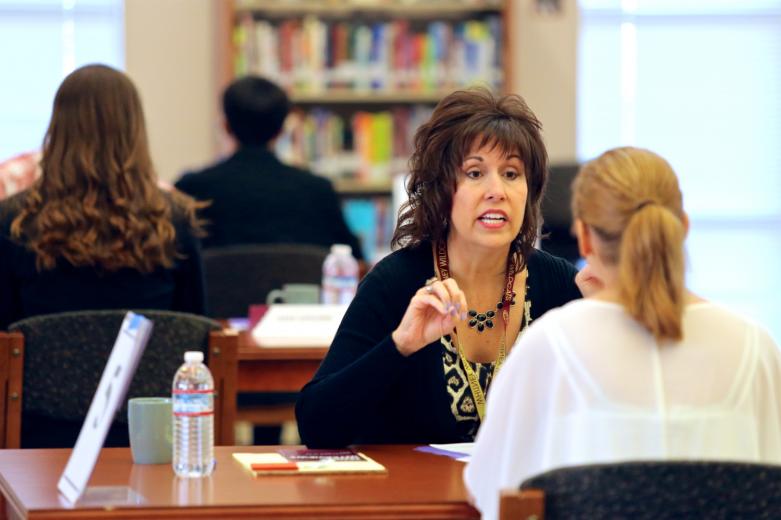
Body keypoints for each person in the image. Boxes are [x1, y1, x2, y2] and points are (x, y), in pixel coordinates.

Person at [464, 147, 781, 520]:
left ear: (585, 238)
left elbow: (490, 491)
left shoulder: (549, 346)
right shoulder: (756, 349)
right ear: (683, 226)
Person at [295, 87, 582, 448]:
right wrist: (400, 345)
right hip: (416, 485)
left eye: (511, 173)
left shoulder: (560, 285)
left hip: (521, 484)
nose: (497, 190)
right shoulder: (396, 283)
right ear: (441, 189)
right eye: (475, 173)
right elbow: (316, 427)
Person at [0, 64, 206, 331]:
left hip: (44, 361)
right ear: (134, 130)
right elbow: (196, 330)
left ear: (58, 129)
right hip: (154, 361)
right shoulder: (174, 219)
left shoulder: (13, 221)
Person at [174, 75, 363, 261]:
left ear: (226, 126)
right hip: (296, 283)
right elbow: (355, 261)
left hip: (216, 284)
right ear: (282, 130)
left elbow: (173, 261)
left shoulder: (191, 190)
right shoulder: (318, 191)